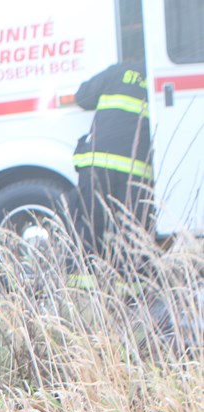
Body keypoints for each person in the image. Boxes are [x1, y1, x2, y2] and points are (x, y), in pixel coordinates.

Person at [69, 56, 154, 273]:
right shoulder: (157, 75)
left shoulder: (117, 72)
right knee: (132, 232)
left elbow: (82, 97)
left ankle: (85, 286)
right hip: (135, 170)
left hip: (98, 164)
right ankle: (132, 289)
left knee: (90, 226)